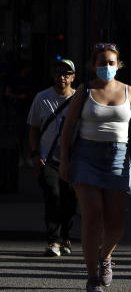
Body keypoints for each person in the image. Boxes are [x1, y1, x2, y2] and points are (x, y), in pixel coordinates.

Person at [58, 43, 131, 292]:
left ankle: (105, 256)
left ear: (118, 64)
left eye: (111, 62)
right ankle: (92, 279)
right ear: (93, 66)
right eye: (101, 62)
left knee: (115, 225)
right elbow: (68, 128)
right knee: (93, 217)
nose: (106, 67)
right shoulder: (85, 90)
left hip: (118, 158)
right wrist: (65, 161)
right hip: (86, 157)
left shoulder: (129, 91)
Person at [27, 59, 78, 256]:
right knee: (53, 196)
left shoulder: (79, 98)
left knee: (70, 199)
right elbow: (33, 128)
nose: (62, 77)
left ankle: (66, 235)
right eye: (58, 73)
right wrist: (34, 154)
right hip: (48, 159)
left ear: (73, 77)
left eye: (66, 73)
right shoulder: (42, 98)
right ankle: (53, 241)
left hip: (73, 159)